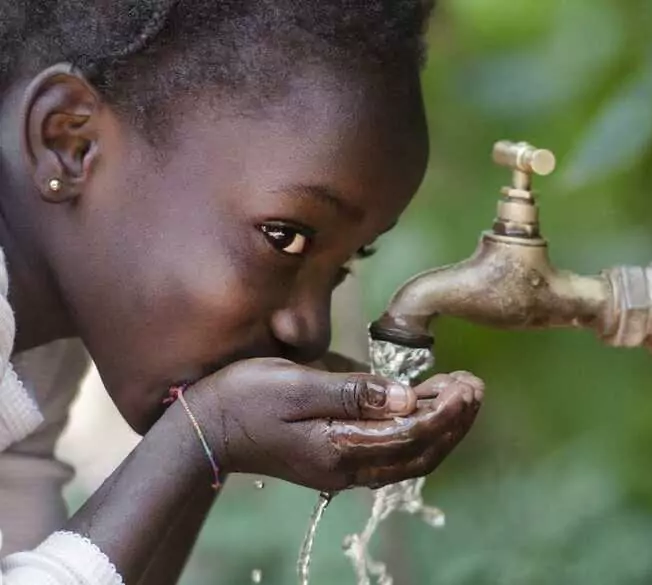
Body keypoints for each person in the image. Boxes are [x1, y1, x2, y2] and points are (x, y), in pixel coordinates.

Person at [0, 1, 486, 583]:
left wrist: (216, 435)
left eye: (348, 262)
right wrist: (204, 434)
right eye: (285, 237)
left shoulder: (38, 346)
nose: (309, 331)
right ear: (70, 142)